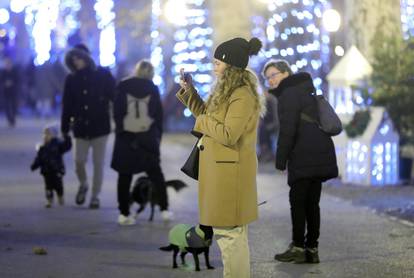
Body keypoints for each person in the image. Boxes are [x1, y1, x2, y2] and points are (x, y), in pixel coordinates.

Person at [176, 37, 264, 278]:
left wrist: (201, 121)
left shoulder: (242, 95)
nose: (214, 67)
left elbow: (228, 133)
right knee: (230, 237)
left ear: (231, 65)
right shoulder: (226, 90)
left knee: (230, 237)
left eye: (217, 63)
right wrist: (189, 92)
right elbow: (210, 118)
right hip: (222, 172)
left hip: (229, 175)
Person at [263, 59, 338, 263]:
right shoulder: (304, 88)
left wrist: (281, 160)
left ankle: (298, 247)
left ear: (286, 73)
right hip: (320, 149)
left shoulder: (288, 94)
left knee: (298, 202)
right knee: (312, 203)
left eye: (274, 75)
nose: (270, 80)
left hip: (303, 153)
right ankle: (312, 249)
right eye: (268, 77)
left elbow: (288, 129)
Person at [111, 60, 172, 225]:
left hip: (126, 137)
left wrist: (121, 131)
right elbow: (158, 116)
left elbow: (117, 112)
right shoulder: (152, 88)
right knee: (156, 175)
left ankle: (123, 213)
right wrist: (157, 137)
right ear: (151, 73)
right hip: (147, 137)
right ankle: (165, 209)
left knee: (124, 176)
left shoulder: (123, 86)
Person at [61, 44, 115, 209]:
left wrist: (119, 119)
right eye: (73, 59)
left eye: (78, 58)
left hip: (100, 127)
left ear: (86, 57)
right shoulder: (71, 79)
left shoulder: (103, 75)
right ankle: (83, 184)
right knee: (79, 161)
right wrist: (64, 127)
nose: (76, 61)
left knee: (98, 163)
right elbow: (67, 104)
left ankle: (95, 196)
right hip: (80, 127)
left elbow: (115, 96)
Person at [30, 125, 72, 208]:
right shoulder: (42, 148)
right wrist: (34, 166)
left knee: (58, 185)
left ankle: (60, 196)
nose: (46, 135)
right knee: (48, 187)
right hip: (46, 171)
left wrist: (67, 138)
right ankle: (49, 200)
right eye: (45, 134)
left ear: (54, 135)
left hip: (57, 169)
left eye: (48, 133)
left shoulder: (58, 145)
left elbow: (67, 146)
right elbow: (39, 158)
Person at [0, 56, 19, 127]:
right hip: (6, 92)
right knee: (7, 106)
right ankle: (9, 119)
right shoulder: (3, 72)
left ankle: (13, 119)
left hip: (13, 91)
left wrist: (12, 83)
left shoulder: (15, 71)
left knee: (14, 106)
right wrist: (5, 83)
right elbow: (1, 81)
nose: (7, 65)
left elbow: (18, 80)